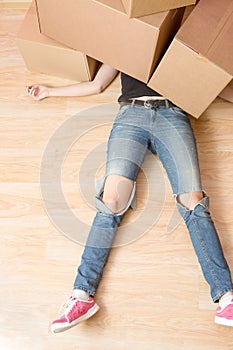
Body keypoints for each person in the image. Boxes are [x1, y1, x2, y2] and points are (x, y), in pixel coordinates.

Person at [27, 63, 233, 332]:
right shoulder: (127, 38)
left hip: (173, 114)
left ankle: (226, 298)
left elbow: (213, 82)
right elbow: (97, 85)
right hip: (131, 116)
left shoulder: (184, 43)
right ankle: (81, 295)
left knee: (193, 203)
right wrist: (50, 92)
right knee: (111, 203)